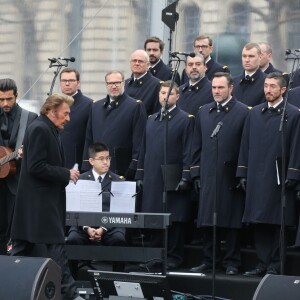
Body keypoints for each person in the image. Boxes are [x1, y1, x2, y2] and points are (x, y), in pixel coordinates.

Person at [10, 93, 83, 300]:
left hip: (36, 204)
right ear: (52, 111)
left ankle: (11, 288)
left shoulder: (44, 127)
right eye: (65, 113)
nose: (68, 118)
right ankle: (70, 294)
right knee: (56, 248)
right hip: (41, 204)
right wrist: (66, 173)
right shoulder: (41, 129)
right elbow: (36, 166)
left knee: (21, 250)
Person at [237, 72, 300, 276]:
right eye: (266, 85)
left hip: (279, 177)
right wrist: (243, 172)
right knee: (258, 220)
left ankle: (275, 264)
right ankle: (262, 262)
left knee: (276, 221)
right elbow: (245, 144)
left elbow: (296, 147)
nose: (268, 90)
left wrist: (293, 174)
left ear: (283, 90)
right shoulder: (254, 113)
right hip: (257, 175)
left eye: (272, 86)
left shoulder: (293, 113)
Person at [189, 72, 249, 275]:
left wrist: (241, 172)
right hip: (207, 173)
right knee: (207, 219)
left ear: (231, 88)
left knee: (231, 220)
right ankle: (209, 259)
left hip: (230, 173)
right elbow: (196, 144)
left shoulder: (242, 112)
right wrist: (195, 173)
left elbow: (245, 145)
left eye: (220, 87)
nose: (216, 91)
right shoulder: (203, 111)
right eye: (214, 87)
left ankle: (232, 261)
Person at [136, 80, 194, 270]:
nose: (165, 96)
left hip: (172, 175)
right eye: (162, 93)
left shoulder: (185, 119)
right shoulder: (151, 119)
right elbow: (143, 149)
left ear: (177, 96)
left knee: (174, 218)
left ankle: (174, 256)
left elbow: (188, 150)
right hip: (152, 176)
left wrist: (186, 175)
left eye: (169, 93)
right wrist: (140, 174)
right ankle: (154, 256)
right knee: (154, 216)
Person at [67, 142, 127, 278]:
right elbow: (74, 208)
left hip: (110, 226)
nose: (106, 162)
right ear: (91, 161)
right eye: (102, 159)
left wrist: (103, 228)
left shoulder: (118, 181)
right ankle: (71, 283)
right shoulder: (79, 180)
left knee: (119, 239)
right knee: (72, 239)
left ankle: (118, 281)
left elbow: (119, 211)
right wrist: (87, 227)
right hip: (83, 225)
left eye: (108, 158)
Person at [83, 70, 147, 180]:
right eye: (110, 83)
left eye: (117, 82)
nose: (114, 86)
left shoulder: (135, 106)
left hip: (122, 167)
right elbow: (89, 138)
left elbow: (140, 141)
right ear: (106, 85)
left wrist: (135, 166)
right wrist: (85, 164)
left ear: (124, 83)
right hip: (97, 168)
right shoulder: (96, 106)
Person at [0, 78, 37, 255]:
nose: (5, 103)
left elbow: (37, 150)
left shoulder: (30, 118)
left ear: (16, 96)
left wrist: (26, 155)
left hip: (18, 182)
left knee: (14, 229)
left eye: (9, 99)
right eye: (1, 100)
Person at [60, 67, 93, 170]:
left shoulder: (89, 105)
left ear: (78, 82)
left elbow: (91, 136)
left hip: (77, 163)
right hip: (55, 162)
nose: (67, 83)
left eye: (71, 80)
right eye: (64, 81)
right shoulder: (54, 103)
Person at [125, 49, 161, 115]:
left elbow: (156, 114)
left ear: (148, 65)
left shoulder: (157, 85)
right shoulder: (125, 83)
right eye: (134, 60)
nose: (137, 63)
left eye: (140, 61)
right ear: (130, 63)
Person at [233, 42, 266, 107]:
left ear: (260, 57)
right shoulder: (233, 82)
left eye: (251, 56)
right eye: (244, 56)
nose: (247, 60)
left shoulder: (267, 82)